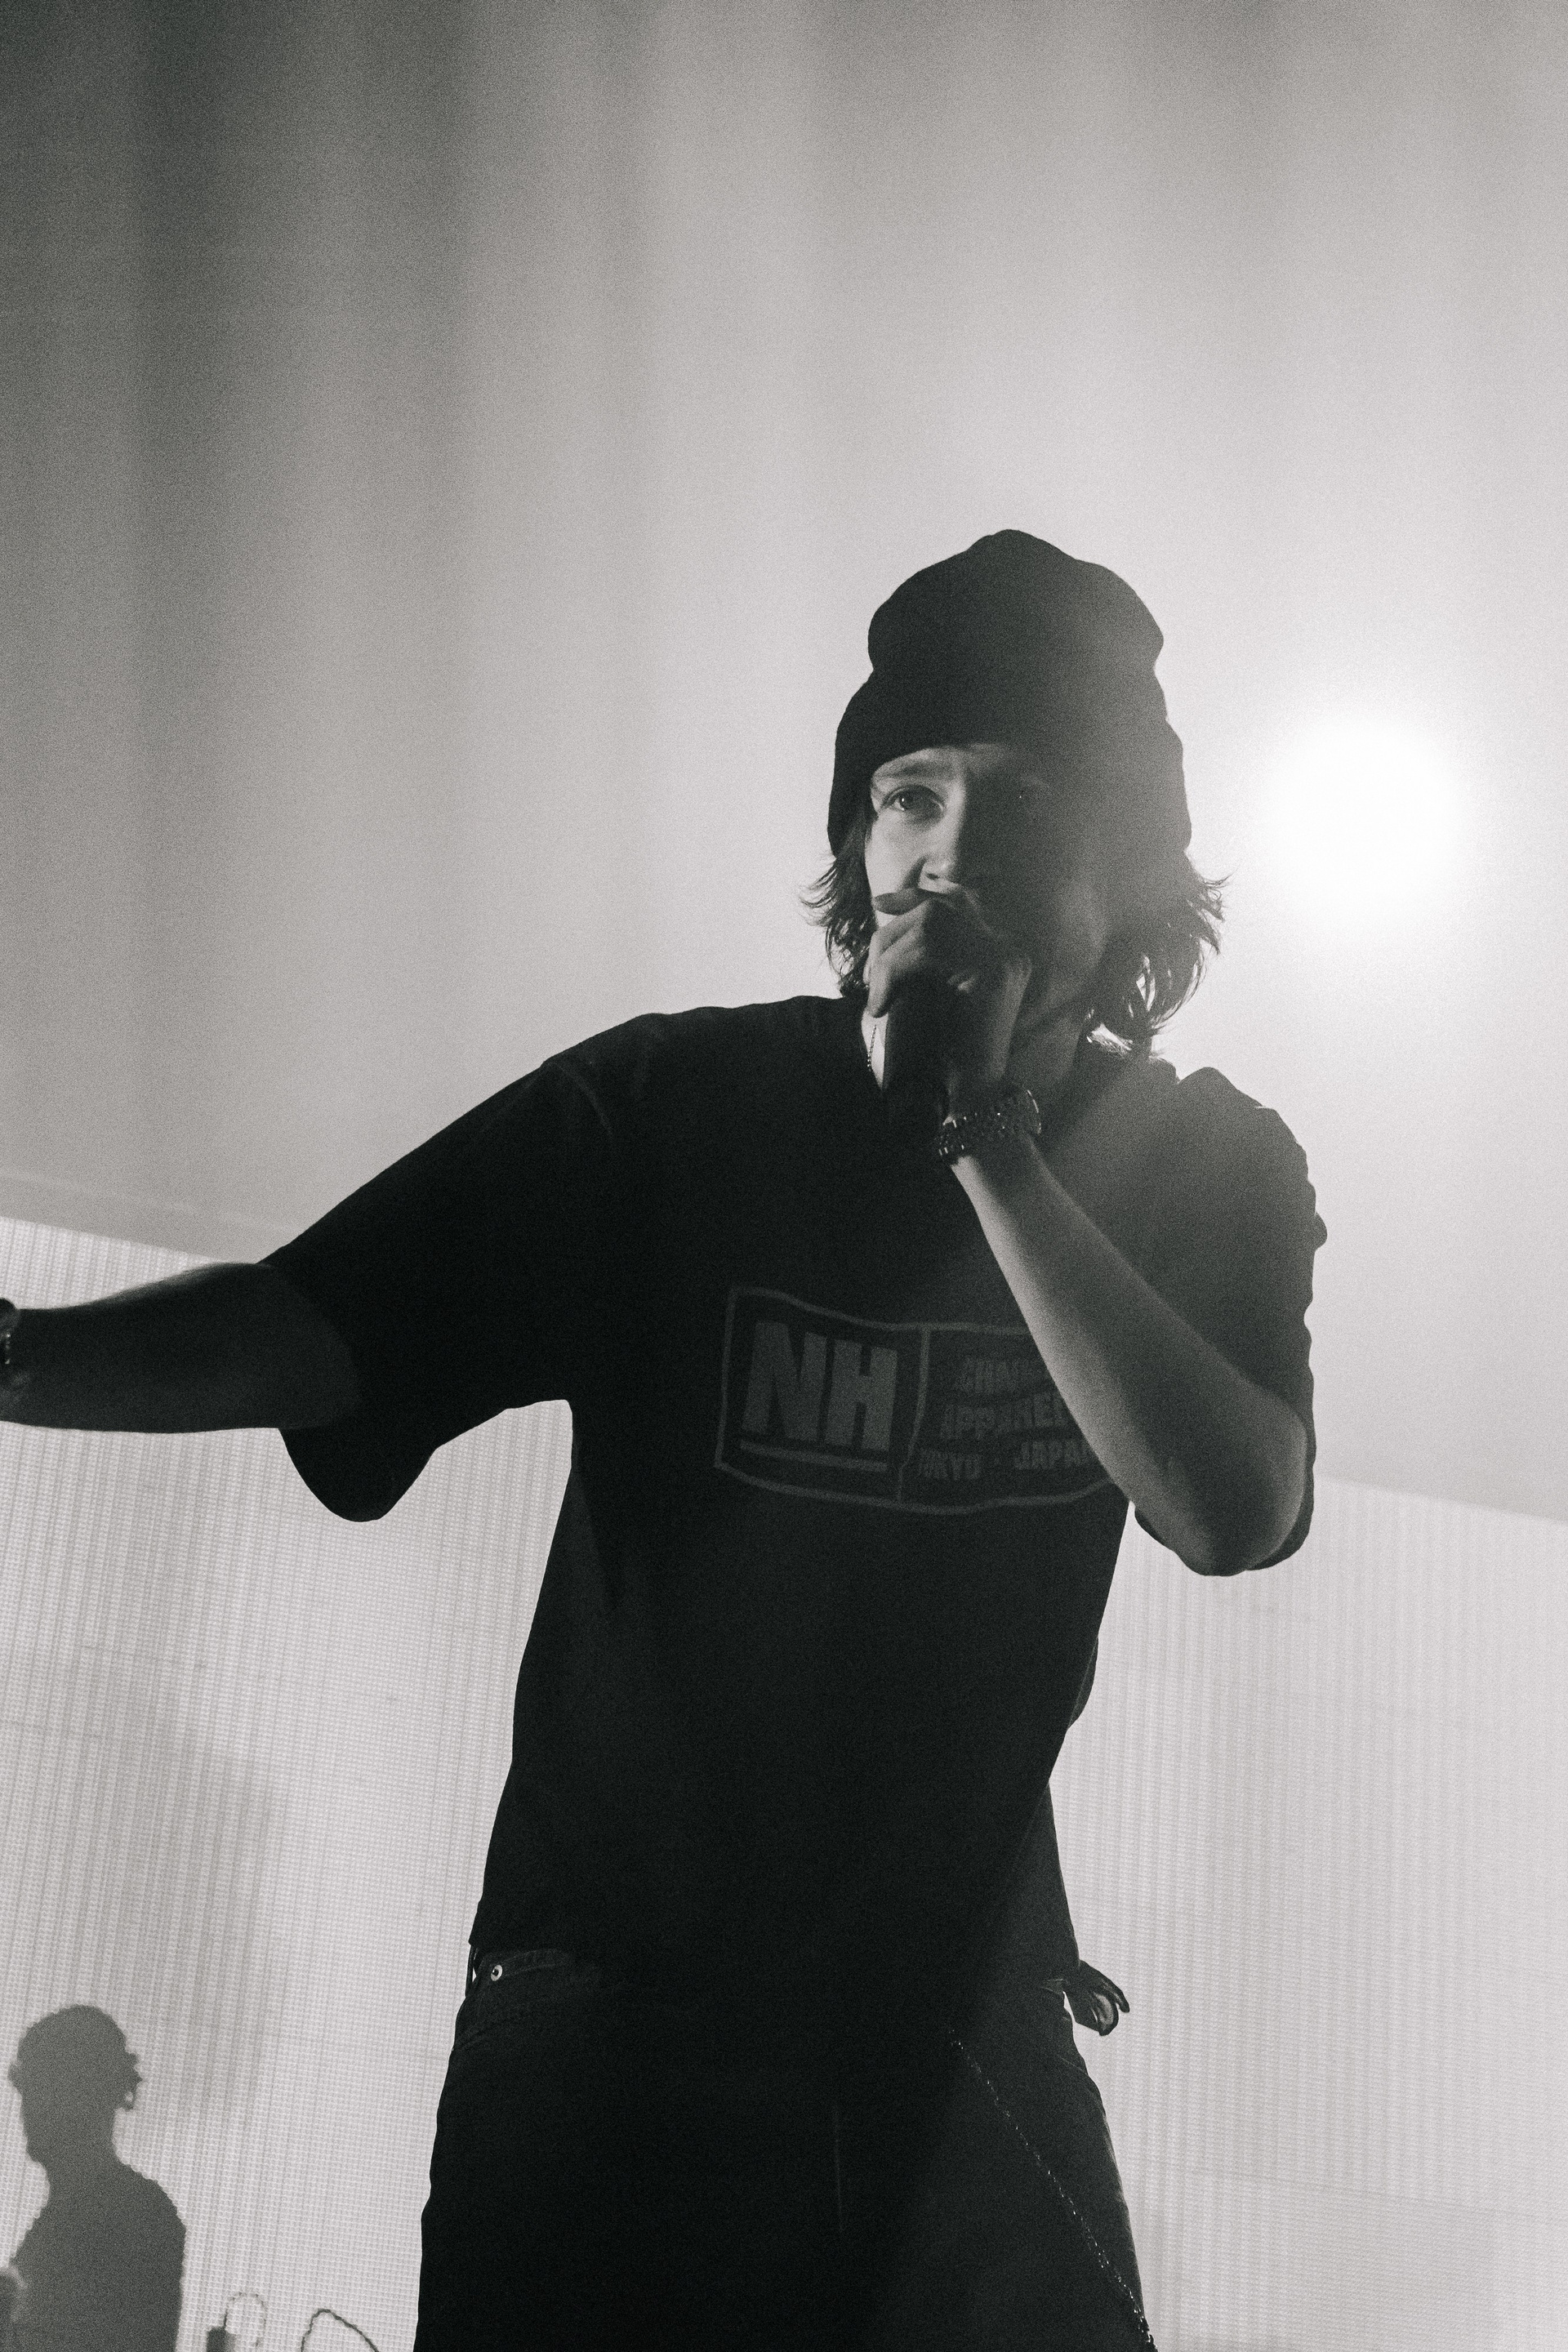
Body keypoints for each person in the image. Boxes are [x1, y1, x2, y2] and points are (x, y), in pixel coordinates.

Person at [0, 530, 1323, 2347]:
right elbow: (314, 1326)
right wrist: (13, 1354)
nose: (947, 850)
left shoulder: (1205, 1165)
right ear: (857, 848)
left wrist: (978, 1134)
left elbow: (1233, 1503)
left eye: (1019, 801)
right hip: (616, 2024)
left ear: (1130, 867)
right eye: (909, 795)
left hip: (957, 2038)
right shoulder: (679, 1110)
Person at [2, 2007, 184, 2352]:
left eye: (45, 2088)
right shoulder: (64, 2219)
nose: (29, 2109)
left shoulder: (136, 2216)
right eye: (29, 2089)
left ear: (86, 2097)